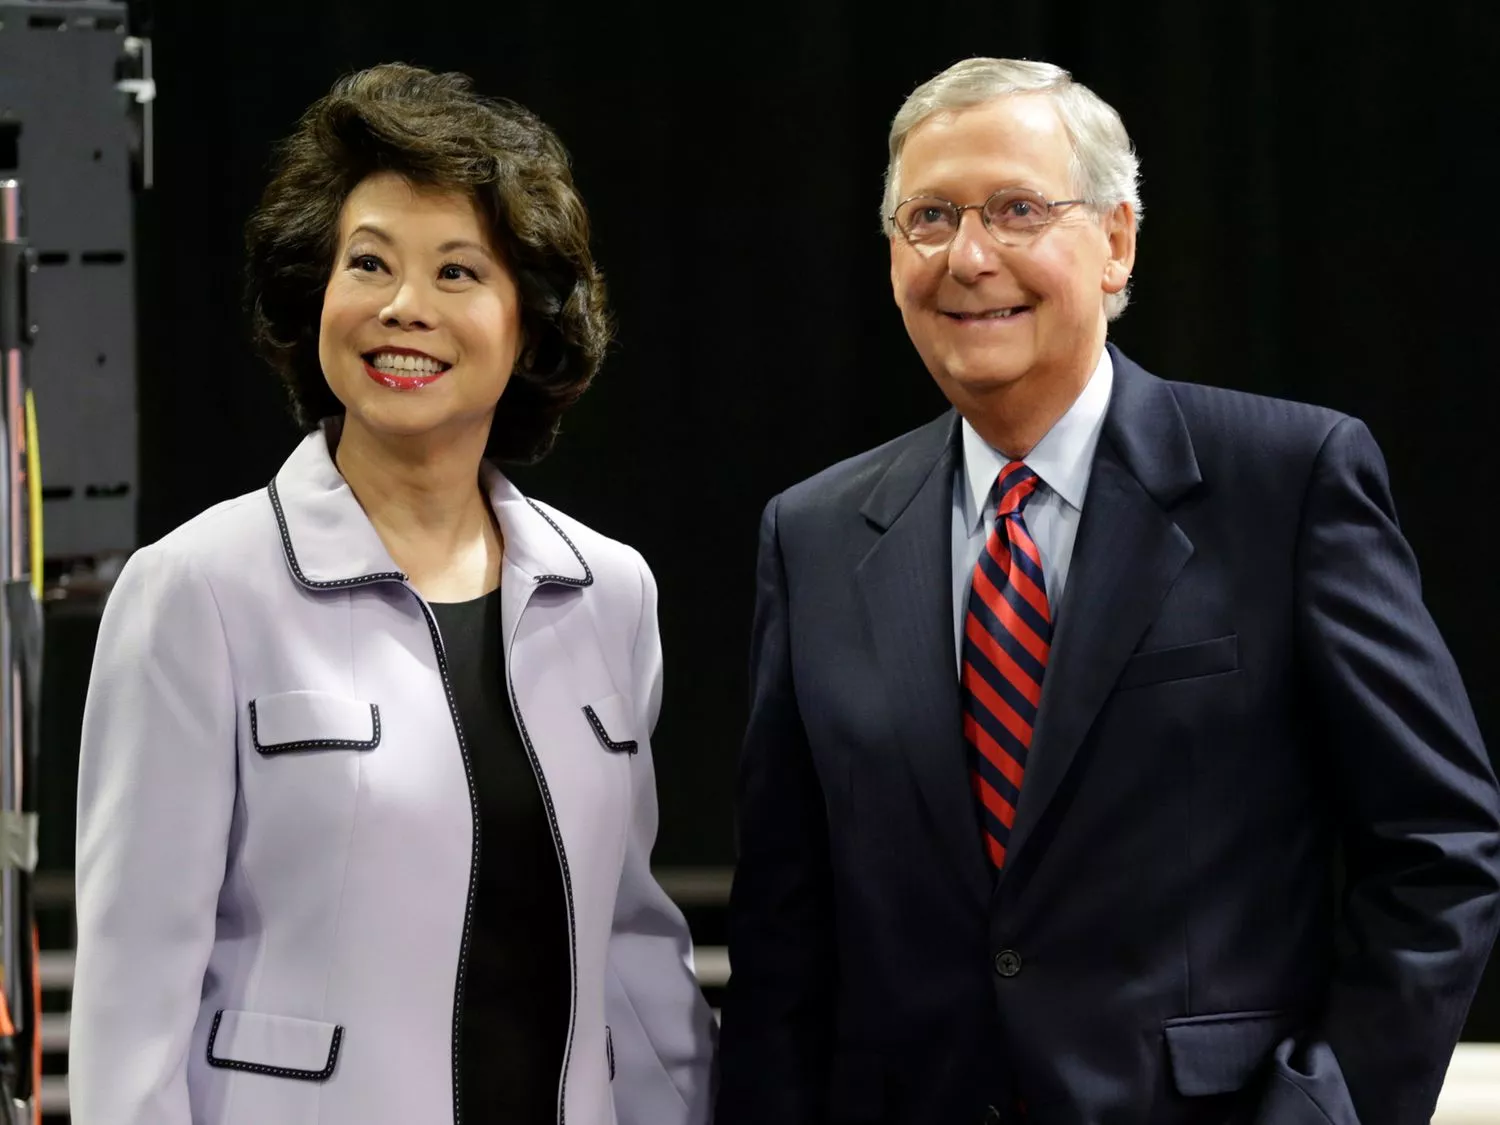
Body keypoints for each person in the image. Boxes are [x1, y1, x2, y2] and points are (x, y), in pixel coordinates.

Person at [716, 56, 1500, 1125]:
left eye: (1016, 209)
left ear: (1117, 241)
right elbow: (782, 925)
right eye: (929, 217)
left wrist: (1326, 1111)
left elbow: (1438, 854)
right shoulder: (810, 533)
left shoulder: (1286, 480)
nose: (969, 255)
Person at [70, 63, 714, 1125]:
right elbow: (132, 1006)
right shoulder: (195, 590)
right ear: (315, 296)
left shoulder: (609, 592)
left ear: (529, 324)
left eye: (459, 272)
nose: (404, 308)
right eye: (368, 263)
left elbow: (633, 957)